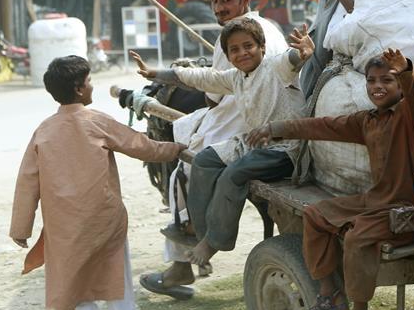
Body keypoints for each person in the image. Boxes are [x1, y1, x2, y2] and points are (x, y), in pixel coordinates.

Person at [139, 0, 288, 299]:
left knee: (182, 170)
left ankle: (185, 258)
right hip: (254, 117)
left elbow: (213, 97)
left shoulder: (234, 34)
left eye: (226, 1)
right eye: (215, 2)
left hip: (245, 125)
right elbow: (211, 81)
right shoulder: (268, 28)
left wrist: (218, 62)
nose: (219, 8)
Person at [248, 48, 414, 310]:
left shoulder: (406, 116)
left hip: (402, 207)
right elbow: (323, 126)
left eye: (387, 80)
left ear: (399, 86)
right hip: (375, 201)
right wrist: (275, 129)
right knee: (315, 215)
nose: (377, 86)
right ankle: (330, 294)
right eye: (371, 80)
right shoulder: (367, 121)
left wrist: (406, 69)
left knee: (356, 238)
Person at [9, 55, 184, 310]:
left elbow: (27, 181)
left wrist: (20, 228)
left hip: (63, 225)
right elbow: (142, 146)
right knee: (116, 274)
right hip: (104, 218)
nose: (92, 86)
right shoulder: (97, 121)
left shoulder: (43, 131)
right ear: (79, 89)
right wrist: (177, 148)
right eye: (89, 81)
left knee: (73, 284)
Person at [132, 16, 312, 268]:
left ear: (262, 47)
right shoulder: (235, 77)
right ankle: (200, 231)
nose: (242, 53)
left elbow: (293, 59)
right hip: (255, 143)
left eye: (248, 46)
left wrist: (303, 52)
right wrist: (155, 73)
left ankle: (214, 241)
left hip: (287, 149)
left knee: (233, 174)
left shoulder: (276, 67)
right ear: (228, 56)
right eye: (234, 50)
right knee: (203, 160)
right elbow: (200, 77)